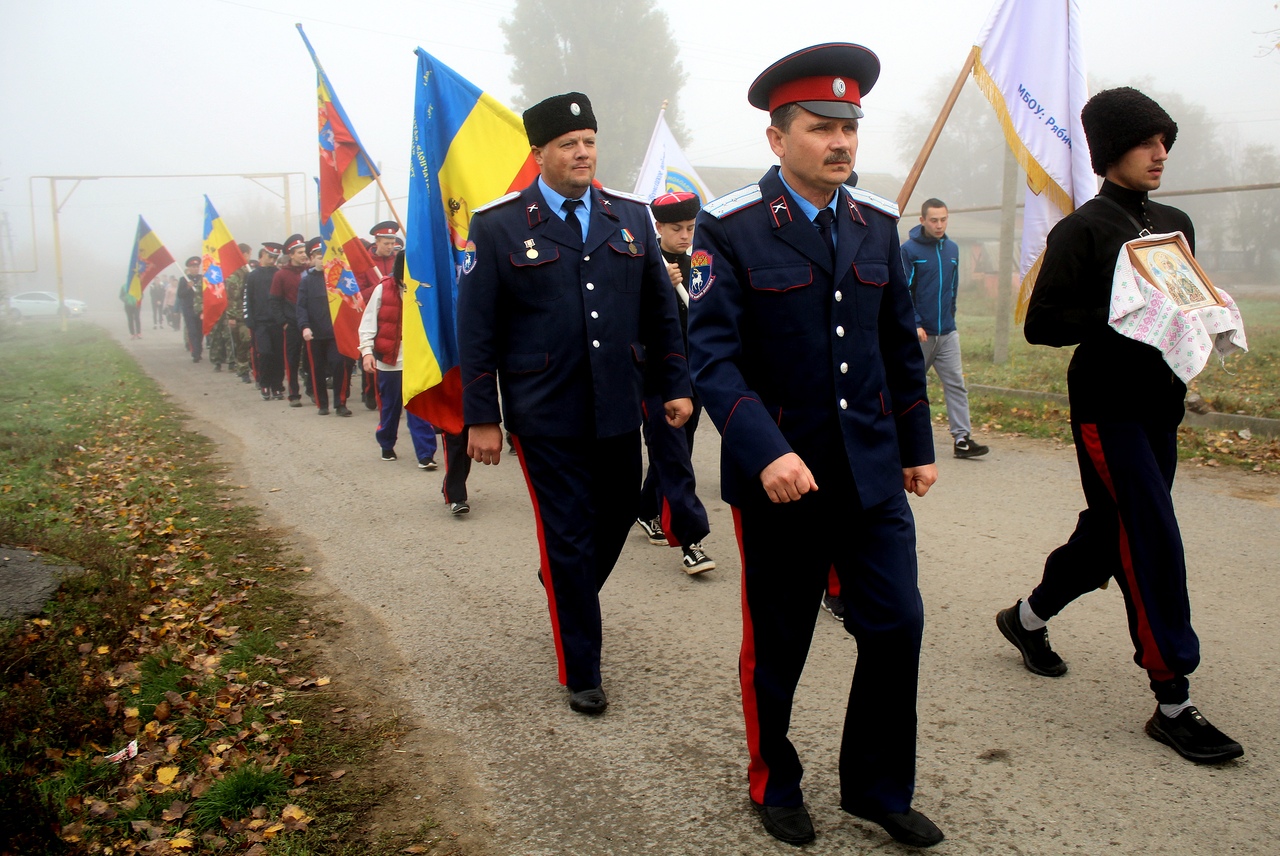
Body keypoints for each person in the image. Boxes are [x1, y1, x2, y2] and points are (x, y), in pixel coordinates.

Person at [687, 44, 942, 848]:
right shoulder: (730, 228)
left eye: (850, 127)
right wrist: (765, 450)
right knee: (781, 641)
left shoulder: (877, 224)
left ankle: (875, 787)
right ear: (777, 138)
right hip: (780, 479)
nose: (841, 142)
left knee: (897, 623)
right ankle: (775, 779)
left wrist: (916, 442)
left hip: (869, 471)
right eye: (822, 127)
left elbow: (900, 345)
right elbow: (712, 359)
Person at [996, 86, 1244, 766]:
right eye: (1145, 142)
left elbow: (1182, 302)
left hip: (1158, 403)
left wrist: (1206, 308)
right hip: (1108, 409)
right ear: (1111, 152)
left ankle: (1026, 618)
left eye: (1165, 141)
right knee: (1150, 534)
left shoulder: (1173, 223)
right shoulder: (1083, 229)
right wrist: (1123, 311)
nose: (1160, 153)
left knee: (1112, 532)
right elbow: (1042, 324)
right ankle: (1172, 699)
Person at [458, 91, 692, 715]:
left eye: (589, 141)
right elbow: (477, 327)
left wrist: (675, 385)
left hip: (619, 402)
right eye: (568, 144)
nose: (582, 152)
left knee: (616, 511)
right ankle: (582, 670)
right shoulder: (500, 224)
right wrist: (482, 416)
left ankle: (566, 587)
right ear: (539, 154)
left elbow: (660, 313)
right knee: (565, 534)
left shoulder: (631, 215)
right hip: (544, 410)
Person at [635, 191, 715, 574]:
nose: (685, 235)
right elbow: (626, 318)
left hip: (694, 373)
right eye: (676, 229)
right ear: (658, 228)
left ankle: (646, 508)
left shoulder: (698, 262)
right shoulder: (643, 263)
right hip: (658, 377)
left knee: (677, 448)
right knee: (675, 456)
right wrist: (658, 285)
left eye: (690, 228)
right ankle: (691, 540)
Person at [901, 198, 989, 458]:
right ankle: (900, 436)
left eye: (943, 219)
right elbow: (903, 290)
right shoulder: (909, 251)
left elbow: (953, 288)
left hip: (947, 332)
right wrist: (914, 323)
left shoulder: (952, 249)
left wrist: (951, 317)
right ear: (922, 221)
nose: (939, 225)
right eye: (934, 220)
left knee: (956, 385)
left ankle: (962, 439)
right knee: (910, 385)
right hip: (921, 334)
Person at [358, 251, 444, 473]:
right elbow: (368, 323)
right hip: (390, 361)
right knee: (391, 408)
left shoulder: (427, 288)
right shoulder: (383, 288)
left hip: (418, 361)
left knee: (420, 407)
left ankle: (425, 454)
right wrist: (367, 352)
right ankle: (386, 442)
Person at [297, 237, 353, 416]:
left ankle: (340, 402)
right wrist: (305, 326)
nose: (321, 259)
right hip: (315, 333)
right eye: (318, 256)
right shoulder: (307, 281)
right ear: (312, 258)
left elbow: (348, 301)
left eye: (324, 256)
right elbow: (301, 306)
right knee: (317, 368)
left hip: (336, 332)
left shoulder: (338, 277)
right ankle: (322, 403)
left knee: (339, 365)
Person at [270, 234, 309, 407]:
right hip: (291, 324)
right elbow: (274, 301)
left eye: (304, 251)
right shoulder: (281, 275)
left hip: (309, 323)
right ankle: (293, 393)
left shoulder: (310, 272)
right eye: (299, 252)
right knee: (292, 359)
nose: (303, 255)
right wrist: (283, 322)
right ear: (291, 255)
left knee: (311, 360)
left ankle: (312, 389)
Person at [245, 242, 283, 400]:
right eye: (270, 256)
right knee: (265, 353)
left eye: (275, 257)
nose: (272, 260)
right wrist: (249, 318)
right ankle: (264, 383)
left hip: (277, 321)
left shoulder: (278, 274)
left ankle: (277, 386)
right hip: (260, 322)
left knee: (278, 355)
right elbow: (247, 299)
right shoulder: (253, 275)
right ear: (262, 256)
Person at [175, 256, 204, 362]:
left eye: (197, 266)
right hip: (189, 309)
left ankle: (199, 349)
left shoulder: (202, 278)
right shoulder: (184, 280)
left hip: (200, 309)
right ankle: (195, 353)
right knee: (192, 331)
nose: (195, 269)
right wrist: (187, 287)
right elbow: (180, 295)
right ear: (189, 268)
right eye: (193, 267)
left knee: (200, 331)